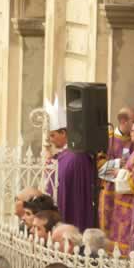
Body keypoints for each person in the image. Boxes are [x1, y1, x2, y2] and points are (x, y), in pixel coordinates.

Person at [45, 97, 96, 232]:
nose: (50, 139)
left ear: (63, 133)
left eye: (53, 135)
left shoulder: (76, 156)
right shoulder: (65, 154)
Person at [98, 106, 134, 235]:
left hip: (128, 191)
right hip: (109, 189)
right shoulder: (107, 139)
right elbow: (97, 165)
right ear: (123, 121)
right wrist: (116, 164)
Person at [109, 119, 134, 254]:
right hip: (123, 201)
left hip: (130, 202)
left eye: (133, 131)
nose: (131, 134)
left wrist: (120, 172)